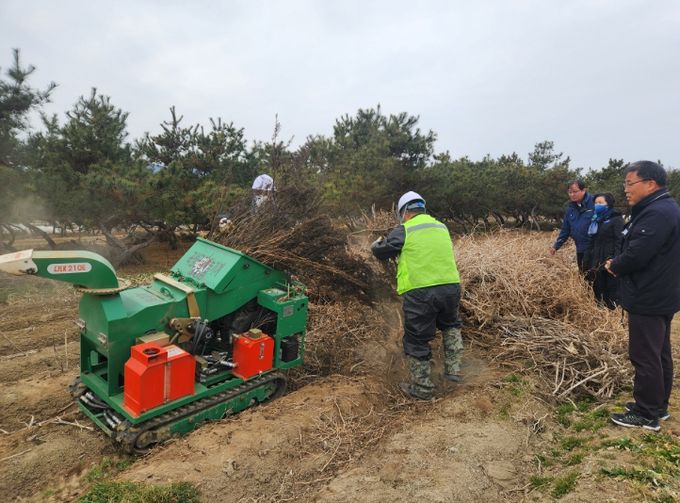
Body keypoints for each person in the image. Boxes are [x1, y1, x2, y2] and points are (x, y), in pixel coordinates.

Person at [604, 161, 680, 431]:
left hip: (649, 294)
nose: (626, 189)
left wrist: (616, 265)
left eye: (629, 183)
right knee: (659, 353)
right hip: (661, 292)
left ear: (650, 184)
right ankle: (657, 406)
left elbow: (638, 253)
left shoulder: (657, 213)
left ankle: (646, 413)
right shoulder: (663, 208)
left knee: (645, 355)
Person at [371, 191, 462, 400]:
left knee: (416, 338)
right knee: (451, 326)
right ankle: (454, 372)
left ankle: (422, 388)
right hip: (451, 288)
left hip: (422, 292)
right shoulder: (441, 227)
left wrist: (376, 244)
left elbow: (381, 251)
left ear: (404, 212)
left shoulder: (405, 229)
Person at [583, 193, 624, 309]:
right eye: (596, 203)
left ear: (608, 204)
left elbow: (619, 241)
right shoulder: (596, 219)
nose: (597, 205)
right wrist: (587, 259)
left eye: (600, 203)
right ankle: (600, 310)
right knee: (598, 288)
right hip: (596, 260)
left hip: (609, 259)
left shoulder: (616, 219)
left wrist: (615, 259)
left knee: (611, 289)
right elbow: (592, 241)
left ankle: (612, 312)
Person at [550, 180, 594, 272]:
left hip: (594, 248)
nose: (572, 195)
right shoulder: (570, 209)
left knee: (594, 275)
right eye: (570, 192)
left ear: (584, 190)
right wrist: (556, 246)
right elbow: (565, 230)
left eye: (575, 192)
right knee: (583, 274)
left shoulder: (595, 203)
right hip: (580, 248)